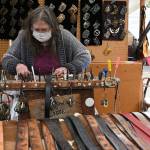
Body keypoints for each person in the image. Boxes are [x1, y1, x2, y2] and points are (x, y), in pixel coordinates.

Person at [2, 6, 91, 78]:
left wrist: (68, 68)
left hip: (62, 92)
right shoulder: (24, 36)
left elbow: (85, 56)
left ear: (52, 28)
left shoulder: (64, 36)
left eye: (44, 29)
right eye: (37, 29)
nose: (40, 33)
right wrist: (17, 66)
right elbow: (7, 58)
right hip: (31, 91)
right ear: (31, 28)